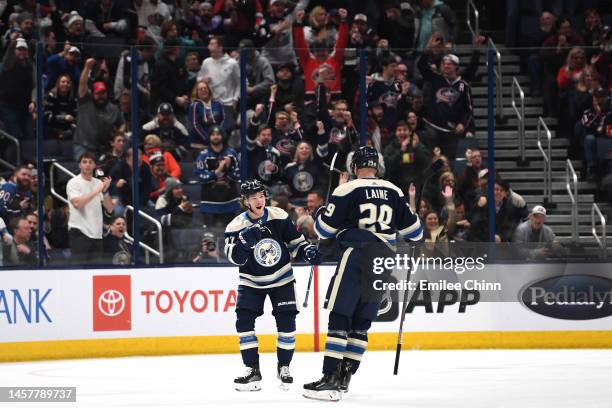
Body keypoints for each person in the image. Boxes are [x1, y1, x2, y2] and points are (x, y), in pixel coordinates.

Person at [304, 146, 423, 401]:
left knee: (340, 316)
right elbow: (416, 233)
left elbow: (324, 231)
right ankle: (346, 375)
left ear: (354, 166)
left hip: (357, 254)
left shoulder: (346, 189)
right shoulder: (394, 190)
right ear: (377, 166)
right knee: (362, 320)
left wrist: (320, 214)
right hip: (384, 260)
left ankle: (330, 377)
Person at [224, 180, 321, 391]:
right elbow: (233, 258)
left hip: (282, 279)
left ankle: (284, 366)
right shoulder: (236, 226)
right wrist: (243, 244)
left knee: (287, 323)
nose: (259, 200)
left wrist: (307, 252)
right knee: (243, 323)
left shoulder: (279, 216)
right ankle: (252, 370)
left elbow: (296, 242)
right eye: (253, 198)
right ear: (245, 201)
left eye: (261, 196)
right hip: (251, 282)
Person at [66, 152, 116, 264]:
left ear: (94, 165)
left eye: (90, 162)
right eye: (84, 162)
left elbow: (109, 208)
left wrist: (105, 191)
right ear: (79, 165)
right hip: (80, 232)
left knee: (96, 272)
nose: (87, 165)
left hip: (97, 234)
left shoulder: (98, 183)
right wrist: (97, 190)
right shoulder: (73, 183)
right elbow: (77, 204)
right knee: (80, 272)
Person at [74, 58, 124, 160]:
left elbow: (122, 123)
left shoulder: (113, 109)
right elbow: (82, 85)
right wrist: (87, 67)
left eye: (103, 93)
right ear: (92, 93)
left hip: (103, 148)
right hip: (83, 147)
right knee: (86, 167)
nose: (101, 96)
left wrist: (117, 135)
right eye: (98, 93)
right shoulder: (85, 101)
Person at [195, 126, 241, 225]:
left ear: (222, 136)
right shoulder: (203, 155)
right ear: (209, 137)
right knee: (209, 235)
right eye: (213, 135)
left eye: (218, 134)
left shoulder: (231, 153)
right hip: (209, 202)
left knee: (231, 234)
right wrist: (218, 171)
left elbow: (238, 175)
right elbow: (200, 177)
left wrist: (228, 168)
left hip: (230, 201)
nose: (216, 137)